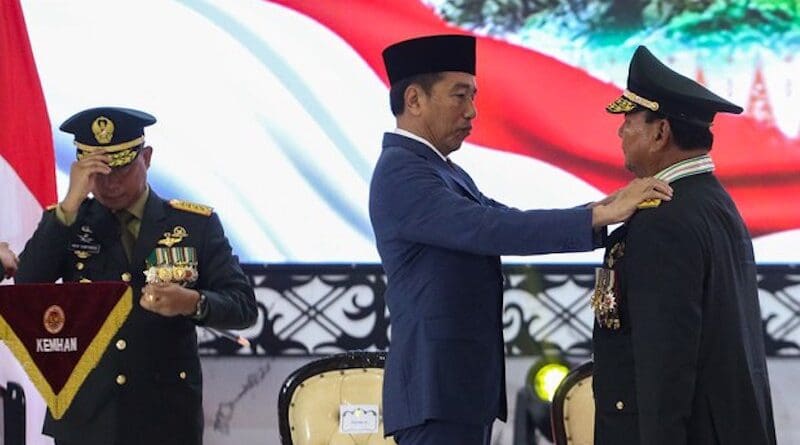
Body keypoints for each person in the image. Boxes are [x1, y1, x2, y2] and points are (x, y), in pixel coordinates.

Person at [369, 34, 673, 445]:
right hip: (434, 389)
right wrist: (597, 216)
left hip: (457, 391)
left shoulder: (442, 170)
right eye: (459, 96)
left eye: (473, 96)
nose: (472, 111)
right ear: (414, 100)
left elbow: (501, 216)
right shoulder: (402, 172)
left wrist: (601, 209)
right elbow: (488, 228)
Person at [16, 107, 257, 445]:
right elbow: (26, 286)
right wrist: (68, 205)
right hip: (87, 417)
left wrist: (193, 302)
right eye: (98, 173)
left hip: (164, 415)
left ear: (146, 157)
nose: (110, 183)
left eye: (122, 169)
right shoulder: (68, 224)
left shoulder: (193, 225)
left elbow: (243, 307)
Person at [592, 46, 777, 445]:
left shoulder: (665, 219)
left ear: (661, 133)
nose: (621, 132)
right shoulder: (711, 200)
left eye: (629, 121)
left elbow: (665, 365)